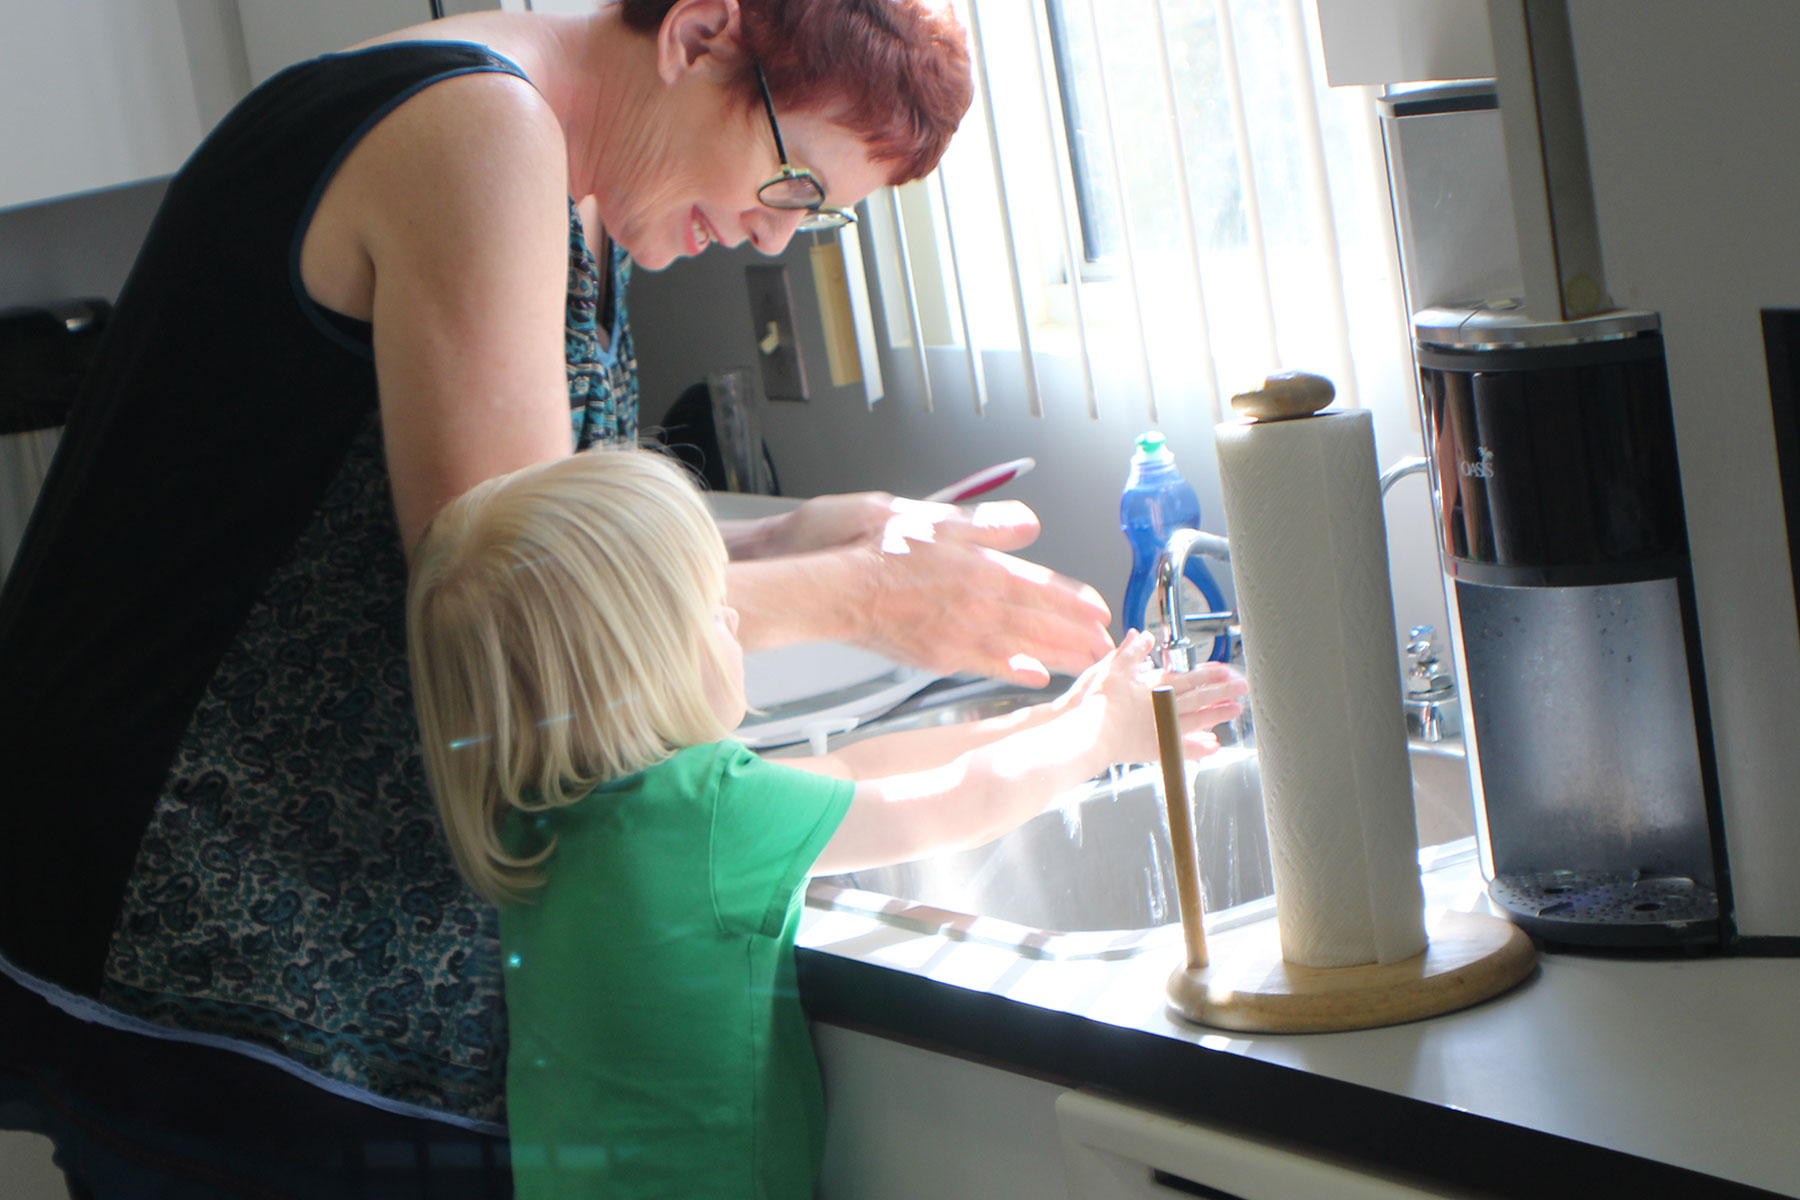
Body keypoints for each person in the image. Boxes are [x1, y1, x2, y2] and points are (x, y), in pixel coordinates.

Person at [0, 0, 1115, 1194]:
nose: (775, 239)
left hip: (265, 926)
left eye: (816, 214)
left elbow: (546, 540)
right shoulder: (477, 135)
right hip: (220, 939)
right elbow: (529, 629)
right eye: (792, 184)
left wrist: (799, 535)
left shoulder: (575, 177)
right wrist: (863, 595)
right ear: (696, 36)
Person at [405, 445, 1246, 1199]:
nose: (736, 623)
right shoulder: (707, 815)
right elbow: (952, 805)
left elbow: (852, 771)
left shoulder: (549, 818)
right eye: (711, 610)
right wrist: (1104, 735)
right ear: (640, 665)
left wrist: (1061, 715)